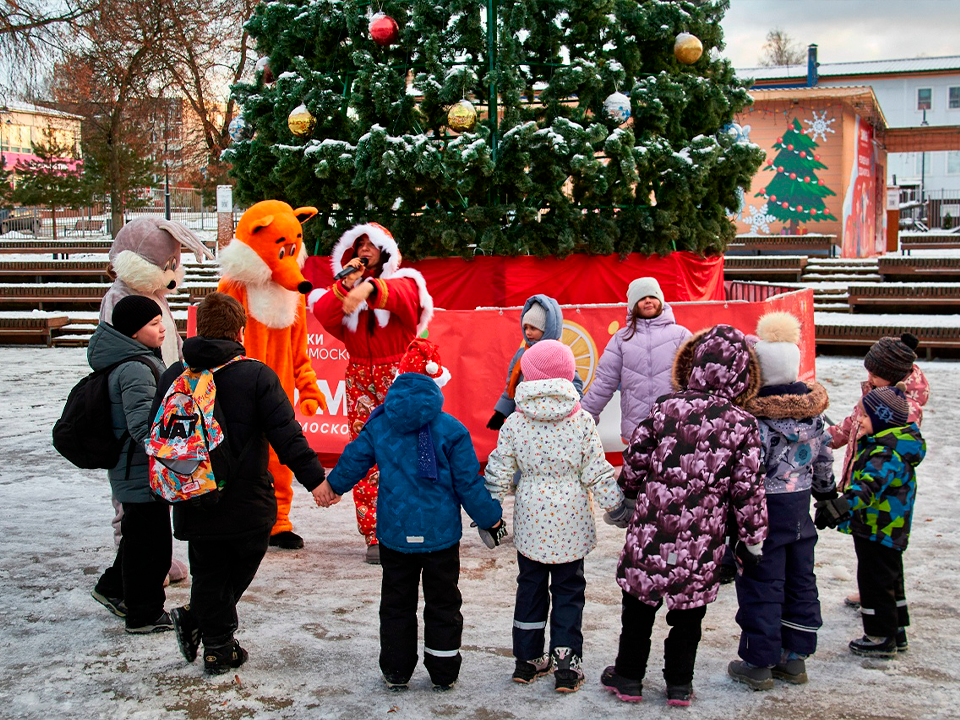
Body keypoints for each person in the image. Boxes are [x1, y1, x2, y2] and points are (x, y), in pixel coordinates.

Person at [313, 339, 504, 692]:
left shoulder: (381, 423)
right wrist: (491, 517)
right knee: (443, 601)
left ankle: (397, 669)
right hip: (440, 536)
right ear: (436, 385)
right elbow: (468, 484)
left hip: (395, 534)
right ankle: (443, 669)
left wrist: (332, 487)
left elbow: (355, 458)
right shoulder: (452, 429)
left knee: (397, 602)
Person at [158, 293, 327, 675]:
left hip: (190, 495)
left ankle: (210, 634)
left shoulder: (173, 375)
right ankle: (215, 642)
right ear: (239, 330)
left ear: (198, 327)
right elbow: (287, 436)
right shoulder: (256, 375)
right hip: (245, 500)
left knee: (208, 570)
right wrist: (316, 480)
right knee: (243, 556)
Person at [601, 325, 766, 707]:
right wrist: (752, 538)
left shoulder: (666, 407)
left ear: (696, 364)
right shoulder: (742, 424)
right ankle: (678, 684)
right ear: (742, 373)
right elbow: (748, 489)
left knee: (639, 607)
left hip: (653, 530)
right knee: (688, 615)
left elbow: (637, 458)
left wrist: (627, 491)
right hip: (702, 537)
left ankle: (628, 676)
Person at [484, 340, 626, 693]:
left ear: (528, 375)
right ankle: (566, 663)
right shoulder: (580, 421)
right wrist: (617, 505)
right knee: (568, 590)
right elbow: (596, 469)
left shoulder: (515, 421)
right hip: (571, 522)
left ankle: (527, 660)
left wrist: (489, 511)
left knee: (530, 587)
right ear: (568, 373)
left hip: (532, 519)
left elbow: (499, 468)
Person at [309, 223, 434, 564]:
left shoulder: (405, 281)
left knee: (412, 449)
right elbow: (323, 313)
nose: (364, 249)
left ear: (385, 251)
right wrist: (345, 287)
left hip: (401, 373)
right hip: (360, 374)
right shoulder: (346, 286)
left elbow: (407, 300)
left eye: (370, 244)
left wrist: (369, 291)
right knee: (366, 451)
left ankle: (415, 524)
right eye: (358, 244)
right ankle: (375, 533)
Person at [726, 312, 835, 691]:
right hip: (800, 511)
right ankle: (795, 657)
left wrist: (730, 516)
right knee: (800, 579)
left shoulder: (755, 422)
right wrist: (825, 493)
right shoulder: (814, 417)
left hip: (763, 515)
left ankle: (759, 661)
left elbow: (746, 473)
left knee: (762, 582)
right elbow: (823, 458)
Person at [815, 386, 926, 658]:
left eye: (864, 416)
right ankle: (896, 629)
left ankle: (879, 636)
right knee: (890, 577)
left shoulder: (885, 453)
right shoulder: (893, 446)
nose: (860, 421)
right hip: (889, 527)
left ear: (882, 419)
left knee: (874, 580)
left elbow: (867, 488)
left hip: (879, 528)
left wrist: (839, 507)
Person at [88, 295, 173, 634]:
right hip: (139, 469)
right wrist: (175, 447)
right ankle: (144, 613)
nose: (162, 328)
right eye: (153, 324)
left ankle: (112, 588)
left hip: (135, 468)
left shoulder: (137, 359)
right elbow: (141, 427)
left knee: (138, 537)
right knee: (151, 546)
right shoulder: (136, 368)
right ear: (134, 333)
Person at [827, 333, 929, 608]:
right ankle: (875, 591)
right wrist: (829, 437)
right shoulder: (878, 396)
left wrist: (844, 502)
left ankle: (878, 604)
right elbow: (854, 422)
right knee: (874, 554)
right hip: (872, 488)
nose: (868, 378)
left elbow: (882, 456)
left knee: (880, 556)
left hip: (882, 497)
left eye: (873, 373)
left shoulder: (900, 412)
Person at [581, 277, 691, 442]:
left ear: (660, 300)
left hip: (674, 424)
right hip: (636, 427)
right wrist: (585, 416)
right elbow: (604, 382)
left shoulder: (681, 335)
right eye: (641, 298)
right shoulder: (622, 339)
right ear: (633, 305)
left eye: (652, 296)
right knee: (639, 467)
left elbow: (696, 378)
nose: (647, 301)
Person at [487, 294, 583, 431]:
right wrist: (501, 412)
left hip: (556, 420)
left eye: (533, 328)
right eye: (525, 327)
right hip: (526, 419)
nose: (528, 333)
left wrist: (574, 409)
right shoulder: (521, 354)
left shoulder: (559, 354)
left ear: (546, 328)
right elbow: (512, 386)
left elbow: (574, 384)